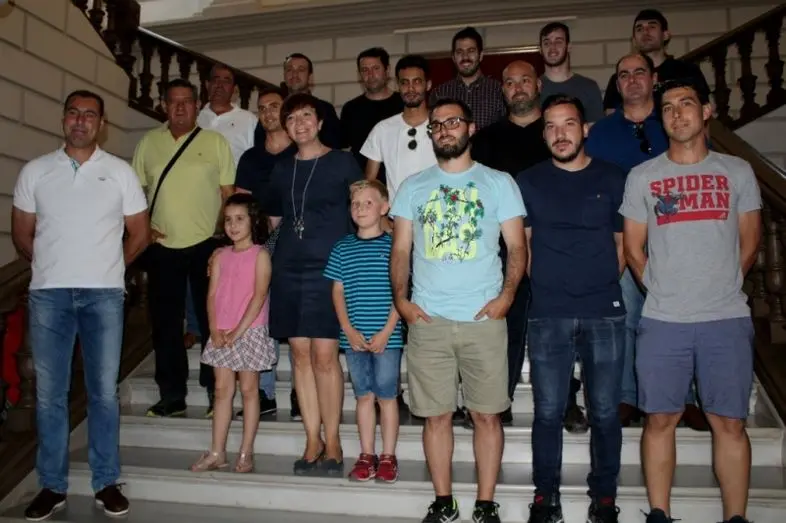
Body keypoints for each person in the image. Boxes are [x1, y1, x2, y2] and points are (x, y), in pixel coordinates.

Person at [620, 78, 762, 523]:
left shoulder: (737, 171)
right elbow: (633, 248)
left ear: (706, 111)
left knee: (730, 423)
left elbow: (750, 242)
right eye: (667, 107)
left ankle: (735, 517)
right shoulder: (643, 176)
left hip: (726, 317)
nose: (677, 113)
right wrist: (660, 288)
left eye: (686, 104)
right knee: (659, 419)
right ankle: (659, 513)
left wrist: (721, 285)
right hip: (663, 319)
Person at [12, 90, 149, 520]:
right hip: (49, 296)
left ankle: (106, 481)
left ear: (101, 124)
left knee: (103, 393)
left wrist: (111, 266)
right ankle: (52, 486)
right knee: (50, 395)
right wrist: (50, 265)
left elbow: (140, 232)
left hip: (103, 296)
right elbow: (22, 233)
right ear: (63, 119)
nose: (80, 120)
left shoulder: (120, 173)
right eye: (73, 113)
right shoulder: (36, 171)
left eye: (90, 115)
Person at [390, 98, 527, 523]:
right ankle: (444, 500)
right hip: (428, 320)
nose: (445, 129)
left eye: (453, 122)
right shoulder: (412, 186)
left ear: (470, 127)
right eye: (437, 125)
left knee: (487, 416)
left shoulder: (499, 182)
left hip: (484, 319)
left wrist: (507, 297)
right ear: (431, 134)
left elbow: (517, 247)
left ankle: (485, 504)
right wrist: (402, 302)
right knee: (436, 418)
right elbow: (400, 251)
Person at [518, 94, 626, 523]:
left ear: (584, 129)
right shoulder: (528, 181)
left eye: (568, 124)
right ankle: (546, 497)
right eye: (551, 126)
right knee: (547, 412)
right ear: (543, 133)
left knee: (605, 412)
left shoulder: (613, 177)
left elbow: (622, 246)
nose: (559, 133)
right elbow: (524, 246)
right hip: (548, 312)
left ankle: (604, 497)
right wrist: (550, 285)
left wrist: (598, 282)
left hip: (604, 310)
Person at [266, 92, 363, 474]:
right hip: (289, 267)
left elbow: (363, 211)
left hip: (331, 267)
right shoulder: (280, 169)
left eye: (306, 115)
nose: (300, 123)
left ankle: (333, 439)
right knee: (299, 354)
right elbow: (274, 223)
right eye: (292, 118)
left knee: (324, 355)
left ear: (320, 122)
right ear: (286, 127)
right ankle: (312, 439)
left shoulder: (342, 162)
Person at [132, 78, 235, 419]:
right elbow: (133, 194)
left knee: (211, 322)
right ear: (164, 105)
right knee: (165, 323)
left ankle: (215, 391)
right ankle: (172, 395)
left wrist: (224, 236)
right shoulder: (148, 143)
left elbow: (228, 194)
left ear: (197, 105)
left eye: (187, 101)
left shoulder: (215, 142)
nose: (180, 107)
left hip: (207, 245)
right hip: (162, 246)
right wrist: (143, 228)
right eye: (173, 101)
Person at [470, 59, 553, 428]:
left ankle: (564, 400)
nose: (518, 88)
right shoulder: (486, 140)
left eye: (525, 80)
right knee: (506, 326)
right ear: (502, 90)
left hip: (554, 245)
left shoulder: (554, 132)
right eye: (510, 82)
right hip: (502, 249)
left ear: (538, 84)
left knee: (555, 328)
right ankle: (497, 400)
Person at [324, 179, 404, 483]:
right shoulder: (342, 248)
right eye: (355, 204)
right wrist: (347, 329)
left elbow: (401, 292)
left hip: (387, 337)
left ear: (384, 207)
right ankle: (367, 454)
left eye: (368, 203)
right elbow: (337, 291)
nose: (360, 208)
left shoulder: (395, 247)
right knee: (363, 396)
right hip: (354, 337)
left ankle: (388, 456)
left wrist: (387, 331)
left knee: (387, 396)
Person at [190, 193, 275, 474]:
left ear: (253, 221)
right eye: (228, 220)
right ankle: (217, 451)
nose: (233, 225)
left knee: (249, 390)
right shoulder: (220, 256)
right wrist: (214, 329)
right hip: (222, 332)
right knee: (221, 391)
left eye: (240, 219)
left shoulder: (260, 255)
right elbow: (211, 294)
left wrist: (238, 332)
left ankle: (246, 451)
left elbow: (259, 296)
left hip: (248, 331)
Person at [235, 86, 298, 419]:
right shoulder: (250, 158)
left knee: (300, 322)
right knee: (260, 318)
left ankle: (302, 393)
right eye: (262, 108)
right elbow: (240, 205)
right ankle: (265, 392)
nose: (268, 112)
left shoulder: (302, 150)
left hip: (300, 246)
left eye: (274, 106)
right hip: (261, 248)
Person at [602, 9, 709, 113]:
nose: (645, 32)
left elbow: (704, 109)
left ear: (665, 35)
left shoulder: (688, 71)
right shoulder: (623, 78)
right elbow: (611, 115)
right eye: (639, 29)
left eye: (652, 27)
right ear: (634, 40)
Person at [362, 54, 436, 203]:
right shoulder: (382, 129)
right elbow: (369, 182)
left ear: (428, 85)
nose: (410, 88)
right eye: (404, 82)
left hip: (439, 212)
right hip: (396, 214)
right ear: (398, 86)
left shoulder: (442, 126)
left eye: (417, 82)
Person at [340, 47, 404, 188]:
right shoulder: (350, 108)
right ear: (359, 75)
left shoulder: (403, 104)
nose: (371, 74)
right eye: (365, 70)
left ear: (387, 70)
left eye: (376, 68)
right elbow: (344, 149)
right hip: (361, 185)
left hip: (400, 183)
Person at [429, 27, 505, 129]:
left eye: (471, 51)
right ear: (453, 57)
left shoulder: (498, 90)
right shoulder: (440, 93)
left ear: (481, 55)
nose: (465, 57)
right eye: (459, 52)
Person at [537, 22, 604, 124]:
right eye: (547, 43)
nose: (552, 47)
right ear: (540, 49)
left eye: (558, 42)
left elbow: (595, 130)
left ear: (569, 47)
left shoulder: (589, 87)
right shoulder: (533, 89)